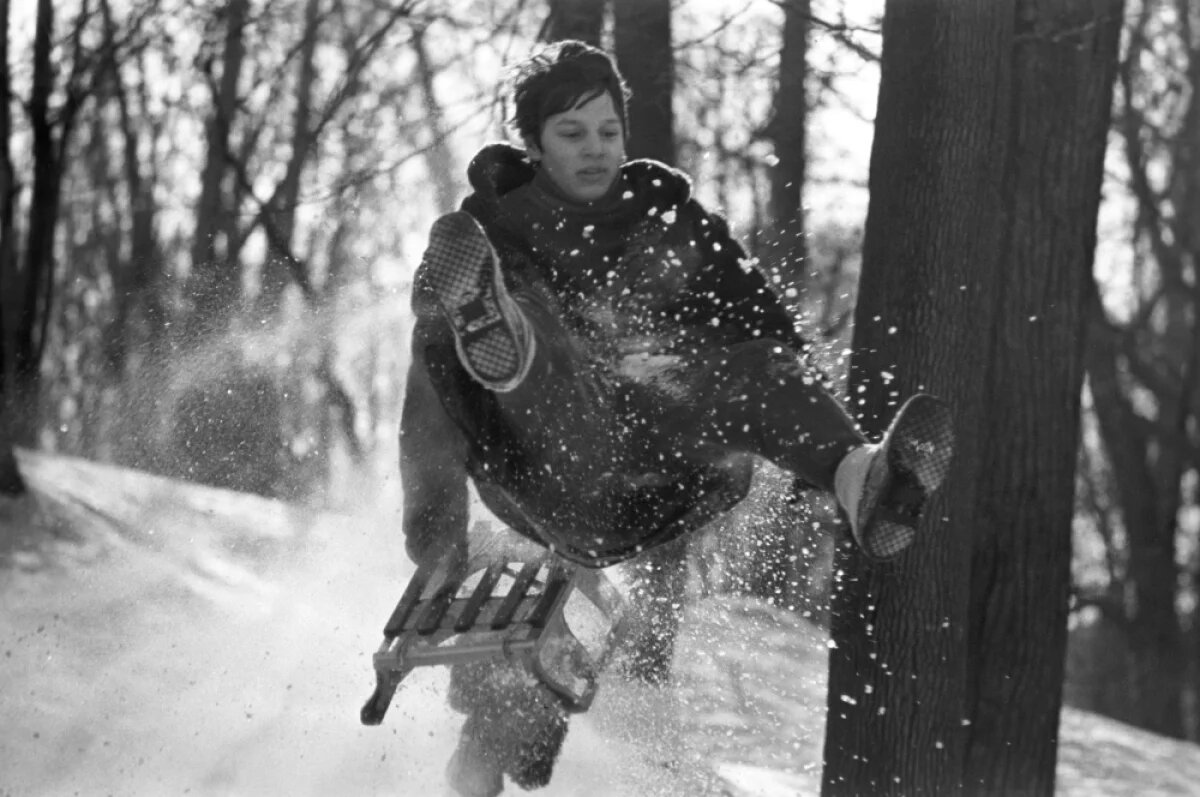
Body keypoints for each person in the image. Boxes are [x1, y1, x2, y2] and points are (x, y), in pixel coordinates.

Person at [400, 40, 953, 796]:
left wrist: (730, 398)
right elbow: (430, 403)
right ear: (532, 145)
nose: (595, 149)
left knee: (751, 365)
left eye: (607, 131)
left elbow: (768, 338)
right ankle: (514, 344)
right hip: (539, 469)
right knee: (538, 340)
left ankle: (858, 479)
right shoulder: (488, 236)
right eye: (571, 133)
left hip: (658, 471)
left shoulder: (670, 217)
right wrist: (435, 540)